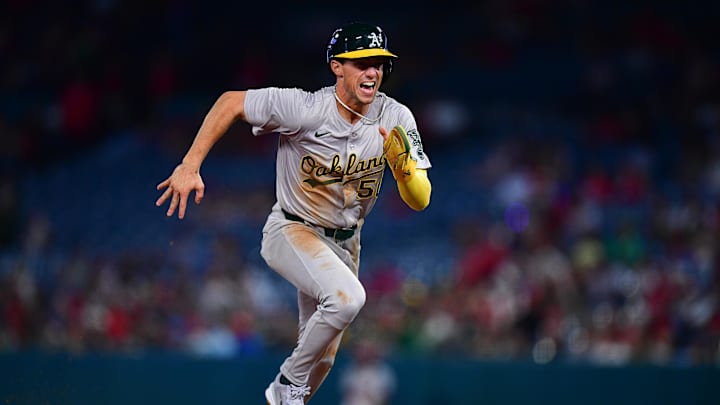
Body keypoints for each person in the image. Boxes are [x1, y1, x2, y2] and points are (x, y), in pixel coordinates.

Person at [155, 21, 432, 404]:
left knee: (324, 360)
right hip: (293, 230)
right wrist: (190, 164)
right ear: (337, 66)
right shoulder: (305, 108)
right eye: (362, 62)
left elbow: (420, 200)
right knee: (348, 300)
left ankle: (290, 395)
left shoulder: (396, 117)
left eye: (379, 63)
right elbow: (230, 102)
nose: (373, 71)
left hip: (346, 244)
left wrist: (405, 174)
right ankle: (287, 382)